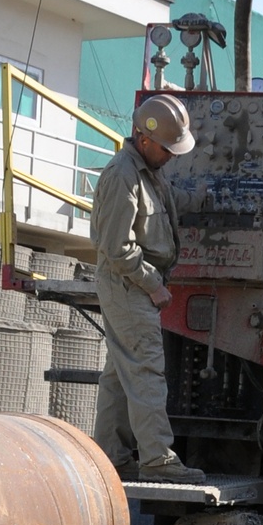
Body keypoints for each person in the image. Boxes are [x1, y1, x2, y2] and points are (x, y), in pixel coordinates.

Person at [91, 93, 204, 483]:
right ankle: (157, 459)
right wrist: (153, 285)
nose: (172, 155)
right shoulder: (123, 175)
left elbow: (173, 202)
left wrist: (213, 196)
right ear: (143, 138)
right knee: (145, 369)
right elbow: (117, 247)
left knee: (119, 375)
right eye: (168, 148)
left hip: (129, 284)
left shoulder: (147, 170)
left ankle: (112, 456)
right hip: (128, 284)